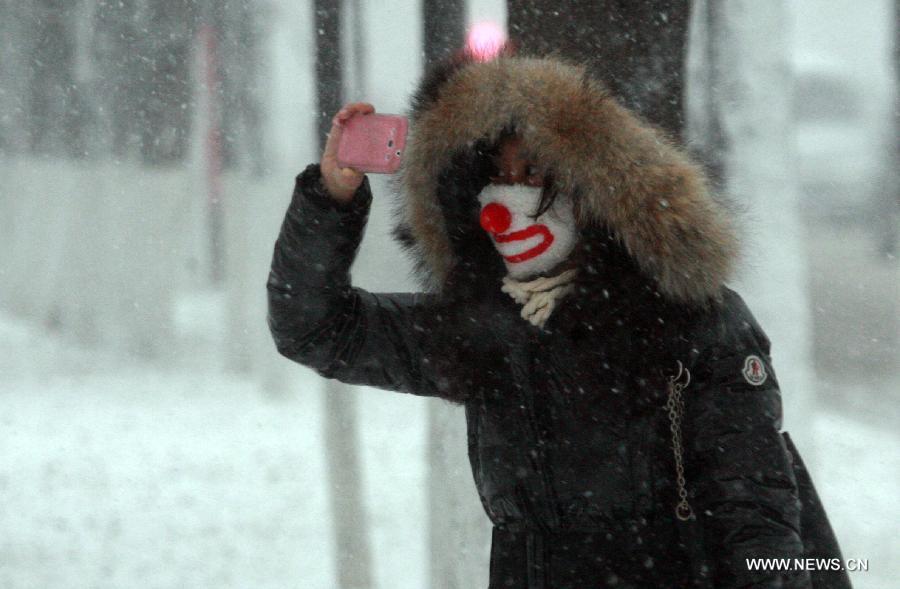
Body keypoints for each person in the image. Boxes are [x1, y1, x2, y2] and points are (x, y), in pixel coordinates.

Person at [267, 55, 848, 588]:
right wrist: (330, 195)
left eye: (533, 175)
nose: (507, 199)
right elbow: (315, 327)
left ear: (595, 190)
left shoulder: (692, 320)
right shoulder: (483, 322)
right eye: (495, 176)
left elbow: (756, 513)